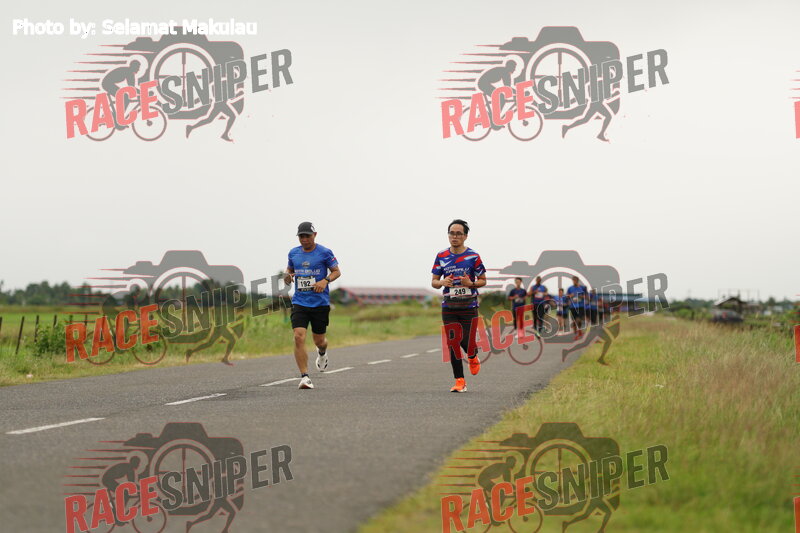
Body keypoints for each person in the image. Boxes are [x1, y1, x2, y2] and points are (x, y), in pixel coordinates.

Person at [431, 219, 487, 393]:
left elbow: (483, 280)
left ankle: (472, 355)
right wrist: (442, 282)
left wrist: (471, 283)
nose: (454, 237)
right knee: (453, 342)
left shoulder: (473, 256)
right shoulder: (441, 256)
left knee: (467, 342)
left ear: (465, 236)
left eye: (458, 234)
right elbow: (434, 282)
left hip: (469, 306)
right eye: (451, 233)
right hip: (449, 306)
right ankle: (460, 381)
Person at [284, 222, 341, 389]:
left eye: (307, 236)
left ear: (314, 235)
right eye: (301, 236)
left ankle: (322, 352)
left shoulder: (324, 252)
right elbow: (289, 271)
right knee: (298, 336)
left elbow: (337, 271)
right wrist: (287, 276)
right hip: (300, 302)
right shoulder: (293, 253)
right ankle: (305, 377)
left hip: (320, 303)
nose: (304, 239)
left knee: (319, 340)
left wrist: (325, 281)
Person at [101, 59, 143, 130]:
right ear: (134, 67)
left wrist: (140, 93)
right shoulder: (129, 72)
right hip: (107, 83)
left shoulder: (129, 71)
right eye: (138, 67)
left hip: (108, 83)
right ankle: (119, 120)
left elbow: (132, 88)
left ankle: (117, 118)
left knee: (125, 98)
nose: (138, 69)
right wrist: (143, 92)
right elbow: (132, 88)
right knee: (125, 98)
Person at [101, 455, 141, 526]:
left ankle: (116, 513)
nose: (138, 465)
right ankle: (118, 515)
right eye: (138, 463)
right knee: (125, 493)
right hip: (107, 480)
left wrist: (139, 489)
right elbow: (132, 484)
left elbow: (132, 484)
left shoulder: (128, 467)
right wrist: (142, 489)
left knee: (124, 493)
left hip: (108, 479)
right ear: (134, 463)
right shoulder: (129, 468)